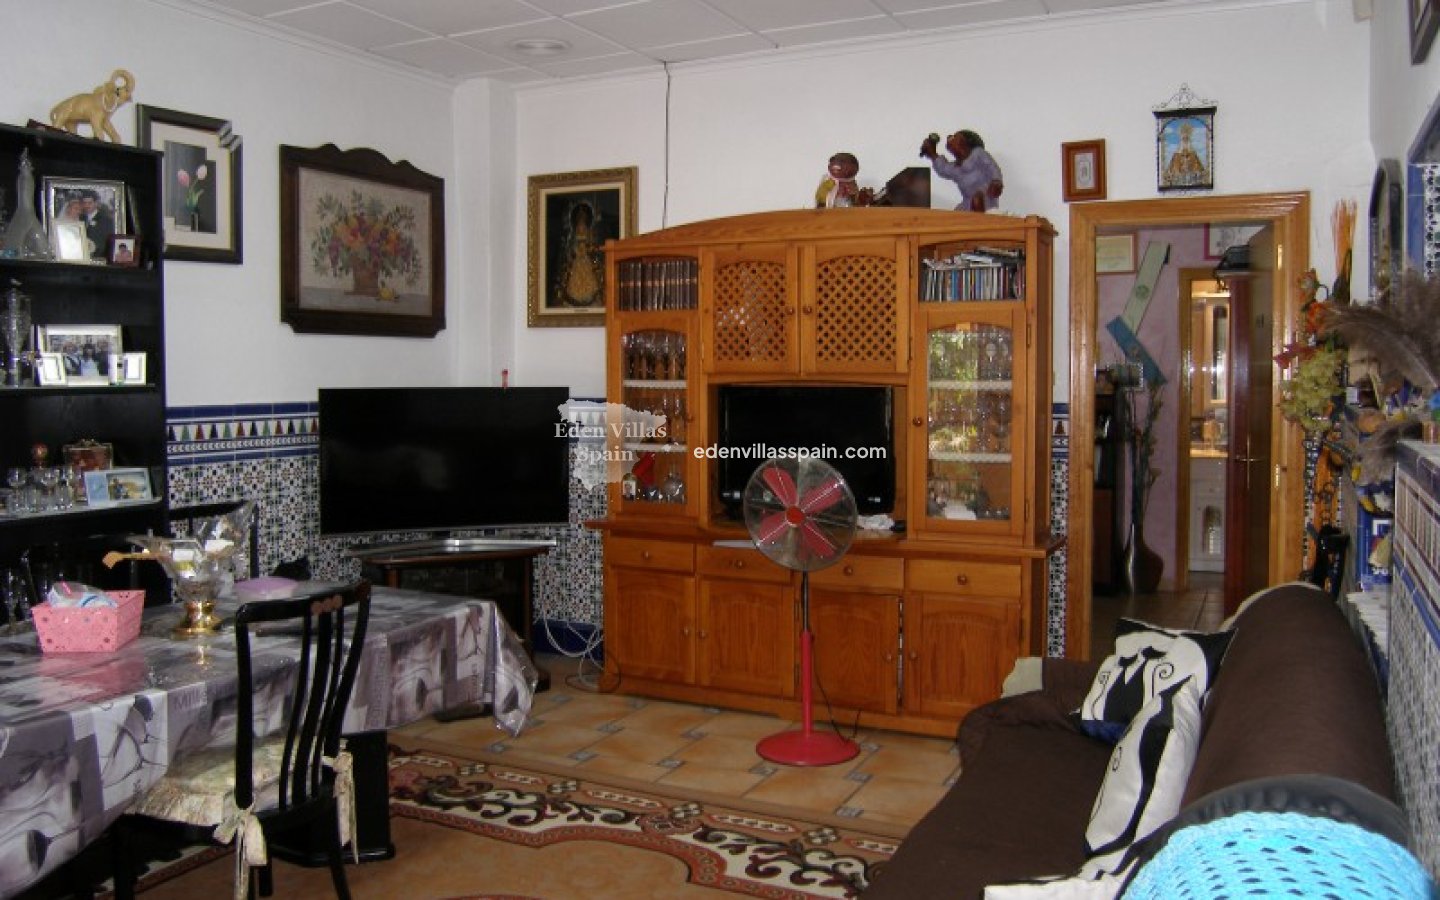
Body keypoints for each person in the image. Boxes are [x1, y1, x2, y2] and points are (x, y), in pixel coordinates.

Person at [920, 129, 1003, 212]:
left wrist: (996, 182)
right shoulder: (955, 167)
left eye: (955, 136)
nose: (949, 137)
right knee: (956, 214)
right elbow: (943, 169)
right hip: (968, 201)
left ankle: (981, 218)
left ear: (965, 142)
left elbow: (991, 167)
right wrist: (932, 154)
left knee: (977, 200)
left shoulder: (978, 153)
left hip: (985, 195)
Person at [77, 189, 114, 259]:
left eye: (89, 203)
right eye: (84, 203)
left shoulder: (106, 220)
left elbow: (107, 241)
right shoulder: (80, 218)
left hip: (98, 257)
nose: (86, 206)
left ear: (96, 203)